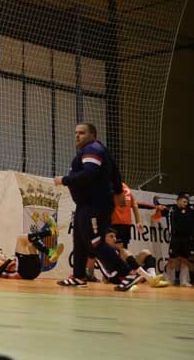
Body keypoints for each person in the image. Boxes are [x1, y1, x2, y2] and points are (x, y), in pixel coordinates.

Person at [53, 123, 142, 291]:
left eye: (82, 133)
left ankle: (129, 273)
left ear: (92, 135)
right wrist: (118, 191)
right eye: (76, 132)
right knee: (79, 240)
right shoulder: (98, 150)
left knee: (95, 242)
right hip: (84, 204)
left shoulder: (92, 149)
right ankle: (78, 276)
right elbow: (115, 170)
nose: (77, 136)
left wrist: (64, 180)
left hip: (95, 204)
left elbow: (89, 174)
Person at [0, 223, 65, 280]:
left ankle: (50, 252)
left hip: (33, 270)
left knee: (30, 241)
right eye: (1, 253)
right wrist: (9, 260)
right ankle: (50, 233)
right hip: (23, 273)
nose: (4, 254)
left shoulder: (9, 263)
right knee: (21, 238)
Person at [96, 228, 167, 288]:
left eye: (115, 236)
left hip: (125, 272)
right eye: (111, 236)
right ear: (104, 238)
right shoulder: (102, 250)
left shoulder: (115, 249)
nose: (114, 239)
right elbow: (108, 272)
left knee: (145, 253)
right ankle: (150, 279)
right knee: (124, 252)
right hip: (116, 278)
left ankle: (153, 278)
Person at [154, 193, 193, 286]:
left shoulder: (190, 210)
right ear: (178, 200)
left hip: (187, 239)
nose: (185, 203)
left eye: (187, 202)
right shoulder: (171, 209)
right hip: (175, 238)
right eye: (184, 201)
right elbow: (158, 214)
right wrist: (158, 209)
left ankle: (184, 281)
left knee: (185, 260)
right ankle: (168, 279)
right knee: (172, 259)